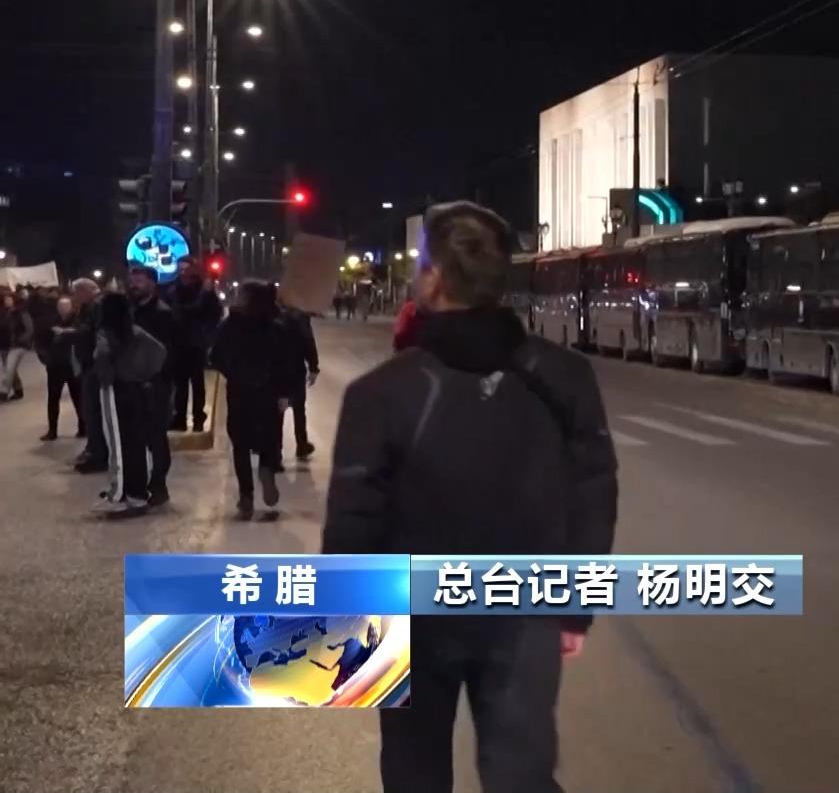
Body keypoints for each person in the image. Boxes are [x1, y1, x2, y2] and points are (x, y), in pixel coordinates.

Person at [324, 202, 617, 793]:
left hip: (412, 613)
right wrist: (575, 608)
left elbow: (355, 518)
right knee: (522, 773)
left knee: (413, 772)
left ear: (433, 277)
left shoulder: (383, 392)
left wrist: (345, 625)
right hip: (527, 609)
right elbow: (593, 494)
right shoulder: (563, 376)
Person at [210, 281, 304, 520]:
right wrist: (285, 393)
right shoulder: (276, 327)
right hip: (268, 392)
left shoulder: (229, 326)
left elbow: (215, 356)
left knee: (240, 445)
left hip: (240, 392)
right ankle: (266, 469)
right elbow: (287, 363)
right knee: (269, 439)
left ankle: (246, 495)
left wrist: (233, 372)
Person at [91, 292, 168, 517]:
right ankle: (137, 492)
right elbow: (160, 351)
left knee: (118, 443)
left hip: (114, 390)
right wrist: (142, 373)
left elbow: (102, 358)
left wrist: (108, 366)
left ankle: (119, 494)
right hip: (135, 390)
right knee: (135, 442)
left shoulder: (106, 333)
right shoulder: (134, 331)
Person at [126, 266, 179, 507]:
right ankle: (135, 486)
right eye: (132, 280)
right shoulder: (130, 310)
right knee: (135, 435)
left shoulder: (162, 313)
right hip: (131, 381)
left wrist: (158, 378)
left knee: (156, 436)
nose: (134, 285)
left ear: (152, 283)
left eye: (139, 280)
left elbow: (169, 351)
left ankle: (158, 484)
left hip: (155, 384)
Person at [169, 259, 223, 433]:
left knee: (197, 382)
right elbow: (176, 312)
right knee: (180, 384)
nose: (183, 273)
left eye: (186, 269)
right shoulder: (175, 290)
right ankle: (180, 418)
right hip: (179, 342)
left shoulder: (204, 292)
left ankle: (198, 417)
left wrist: (208, 337)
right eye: (180, 269)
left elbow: (213, 314)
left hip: (197, 343)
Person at [68, 279, 107, 472]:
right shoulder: (92, 306)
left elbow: (94, 333)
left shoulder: (97, 305)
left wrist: (70, 333)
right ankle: (94, 449)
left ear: (84, 291)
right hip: (90, 364)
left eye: (75, 293)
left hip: (94, 365)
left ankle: (98, 453)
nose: (74, 297)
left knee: (93, 411)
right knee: (91, 410)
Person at [38, 296, 85, 441]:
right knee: (53, 399)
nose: (63, 309)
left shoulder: (78, 322)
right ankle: (52, 430)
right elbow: (41, 343)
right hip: (55, 366)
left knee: (78, 398)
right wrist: (47, 359)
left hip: (73, 366)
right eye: (60, 306)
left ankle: (83, 428)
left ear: (71, 307)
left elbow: (82, 338)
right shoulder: (50, 322)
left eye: (66, 306)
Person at [281, 304, 320, 462]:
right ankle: (302, 444)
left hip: (275, 370)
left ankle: (274, 449)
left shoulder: (272, 312)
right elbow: (308, 342)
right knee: (298, 409)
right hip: (295, 369)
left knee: (276, 410)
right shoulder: (300, 316)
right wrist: (313, 367)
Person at [1, 291, 32, 401]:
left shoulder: (21, 313)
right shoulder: (3, 313)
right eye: (5, 299)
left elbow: (29, 329)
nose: (7, 301)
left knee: (9, 368)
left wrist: (22, 340)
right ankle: (18, 390)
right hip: (5, 345)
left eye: (9, 299)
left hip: (18, 345)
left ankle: (3, 392)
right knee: (11, 368)